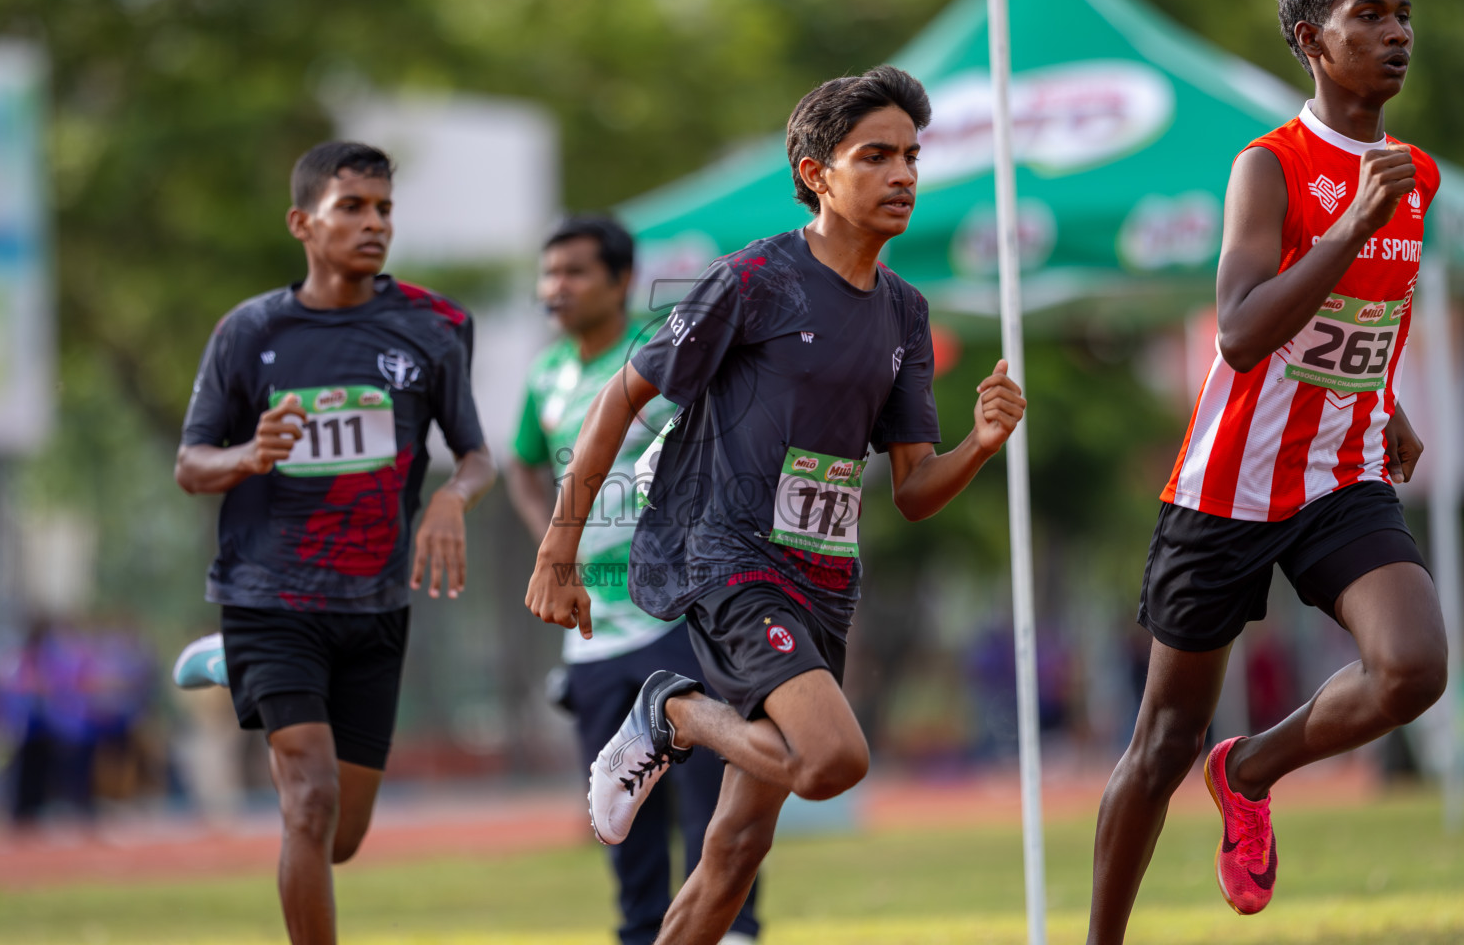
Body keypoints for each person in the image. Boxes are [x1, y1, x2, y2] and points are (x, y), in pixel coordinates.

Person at [526, 65, 1026, 945]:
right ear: (814, 173)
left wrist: (980, 446)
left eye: (911, 157)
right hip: (727, 557)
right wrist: (556, 552)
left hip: (823, 580)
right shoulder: (755, 277)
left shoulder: (906, 315)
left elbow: (914, 491)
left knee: (734, 849)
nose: (903, 175)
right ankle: (674, 711)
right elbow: (618, 399)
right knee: (831, 760)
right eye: (875, 156)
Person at [1086, 0, 1445, 941]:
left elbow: (1367, 317)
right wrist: (1349, 226)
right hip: (1229, 488)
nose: (1396, 33)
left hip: (1341, 475)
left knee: (1414, 668)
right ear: (1311, 40)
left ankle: (1250, 770)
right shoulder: (1270, 167)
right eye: (1368, 15)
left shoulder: (1416, 175)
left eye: (1402, 13)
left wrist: (1387, 405)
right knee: (1163, 740)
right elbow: (1242, 333)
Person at [175, 141, 495, 945]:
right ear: (302, 223)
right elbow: (190, 464)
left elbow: (476, 455)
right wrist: (249, 456)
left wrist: (451, 498)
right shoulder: (249, 331)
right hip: (268, 595)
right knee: (309, 803)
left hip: (374, 602)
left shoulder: (436, 326)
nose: (373, 223)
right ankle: (245, 654)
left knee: (341, 836)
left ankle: (227, 664)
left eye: (383, 208)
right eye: (351, 207)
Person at [507, 215, 761, 945]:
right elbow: (522, 463)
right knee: (618, 807)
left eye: (575, 272)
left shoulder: (660, 359)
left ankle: (734, 928)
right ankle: (642, 933)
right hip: (592, 631)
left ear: (621, 280)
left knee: (708, 783)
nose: (556, 287)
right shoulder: (546, 375)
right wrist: (555, 546)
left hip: (676, 612)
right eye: (549, 273)